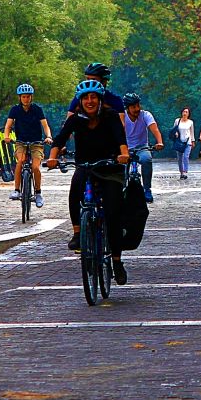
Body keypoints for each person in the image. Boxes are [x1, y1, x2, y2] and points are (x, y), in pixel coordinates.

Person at [47, 80, 130, 283]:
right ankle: (77, 232)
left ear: (99, 99)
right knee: (76, 186)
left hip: (109, 168)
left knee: (112, 212)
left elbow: (120, 138)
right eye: (85, 98)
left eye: (93, 97)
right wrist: (52, 156)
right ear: (80, 101)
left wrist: (124, 154)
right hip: (85, 167)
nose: (89, 101)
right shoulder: (76, 119)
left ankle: (117, 261)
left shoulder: (110, 116)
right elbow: (60, 138)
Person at [3, 83, 53, 208]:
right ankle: (17, 190)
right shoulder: (15, 110)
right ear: (20, 98)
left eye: (28, 97)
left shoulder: (37, 109)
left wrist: (48, 137)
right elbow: (8, 125)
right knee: (20, 161)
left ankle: (38, 193)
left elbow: (45, 126)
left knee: (35, 167)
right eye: (24, 97)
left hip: (36, 143)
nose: (26, 99)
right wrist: (6, 136)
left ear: (31, 97)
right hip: (21, 142)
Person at [122, 92, 164, 203]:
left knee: (146, 159)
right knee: (120, 165)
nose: (137, 109)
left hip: (142, 147)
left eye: (138, 105)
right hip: (125, 147)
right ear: (127, 108)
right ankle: (120, 188)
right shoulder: (122, 117)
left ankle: (147, 189)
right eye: (133, 107)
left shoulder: (145, 115)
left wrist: (159, 142)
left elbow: (155, 129)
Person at [172, 107, 195, 180]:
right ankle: (181, 172)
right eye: (184, 112)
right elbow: (174, 129)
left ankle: (185, 171)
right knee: (179, 158)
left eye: (186, 112)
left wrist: (193, 141)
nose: (185, 113)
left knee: (186, 157)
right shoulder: (177, 121)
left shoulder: (190, 122)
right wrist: (175, 133)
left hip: (188, 142)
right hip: (179, 141)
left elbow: (192, 132)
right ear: (182, 113)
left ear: (188, 114)